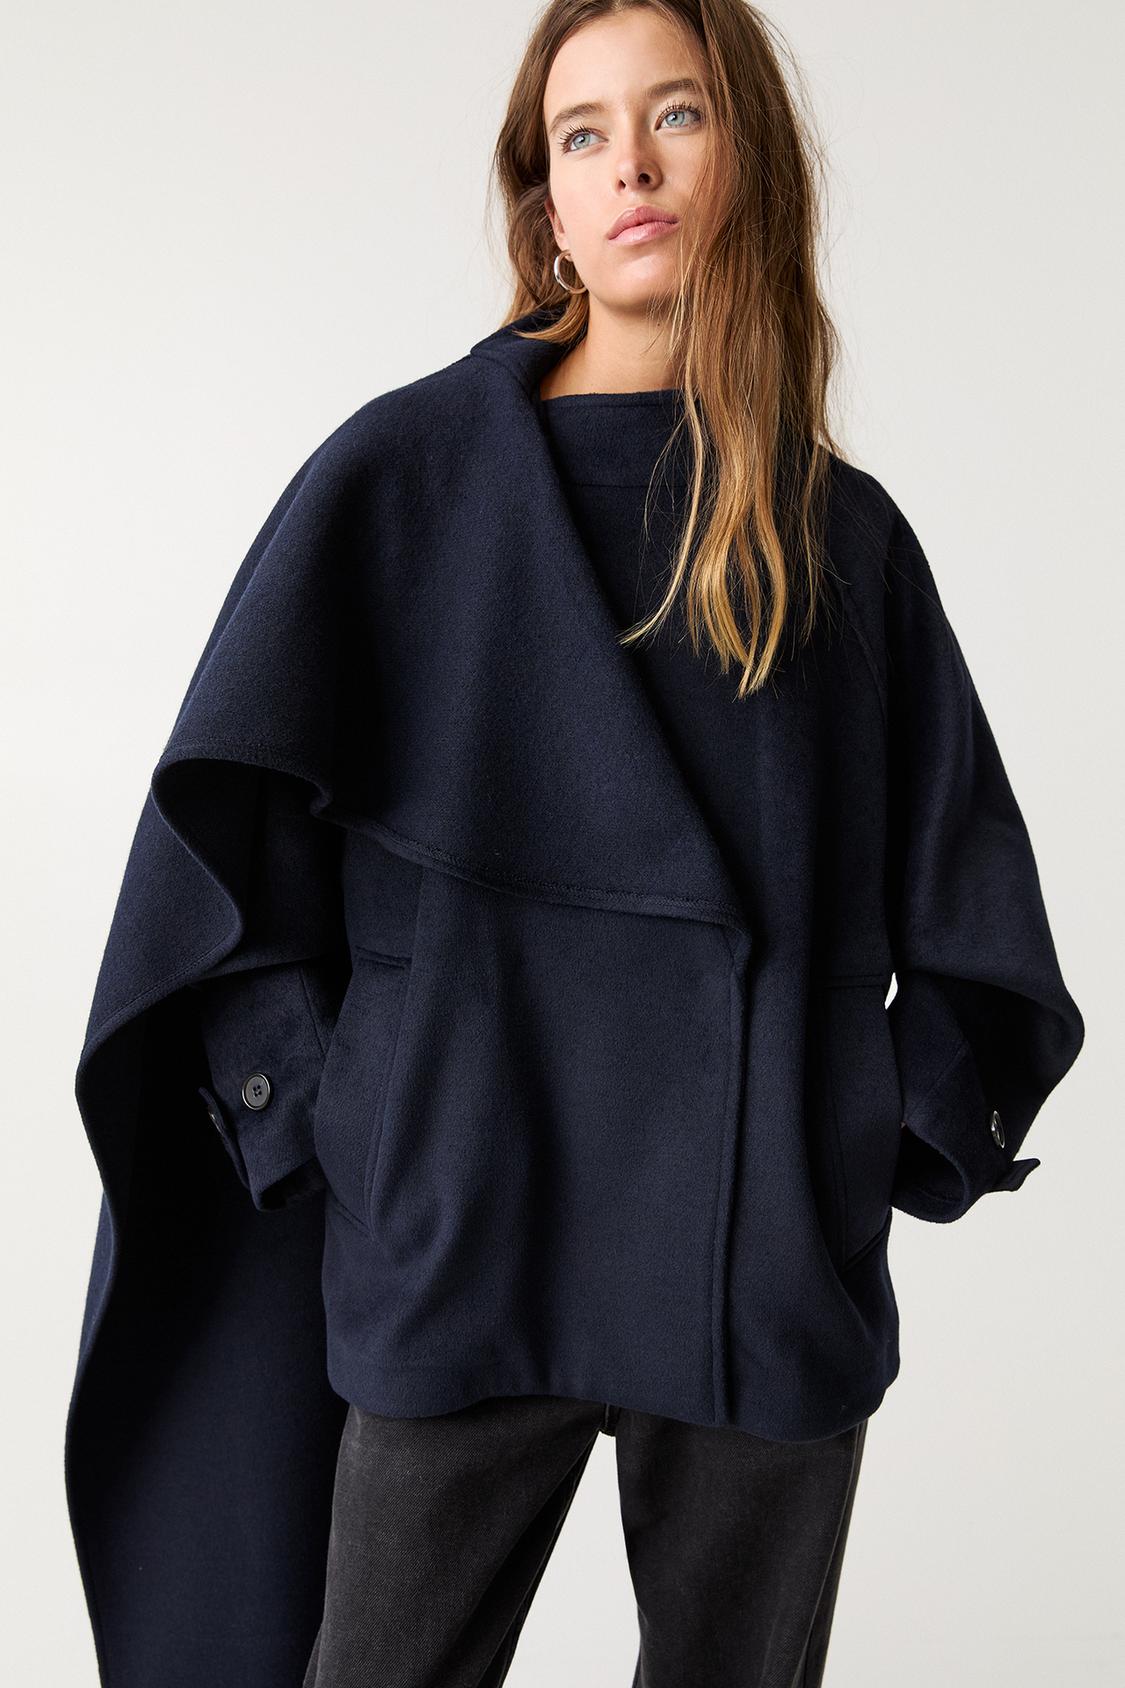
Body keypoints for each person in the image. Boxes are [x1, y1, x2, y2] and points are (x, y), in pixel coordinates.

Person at [66, 4, 1085, 1687]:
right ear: (542, 198)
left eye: (675, 116)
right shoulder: (401, 483)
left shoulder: (838, 537)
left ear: (745, 157)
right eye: (583, 134)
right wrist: (343, 1123)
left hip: (751, 1268)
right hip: (457, 1234)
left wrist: (849, 1140)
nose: (631, 168)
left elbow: (975, 908)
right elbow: (220, 863)